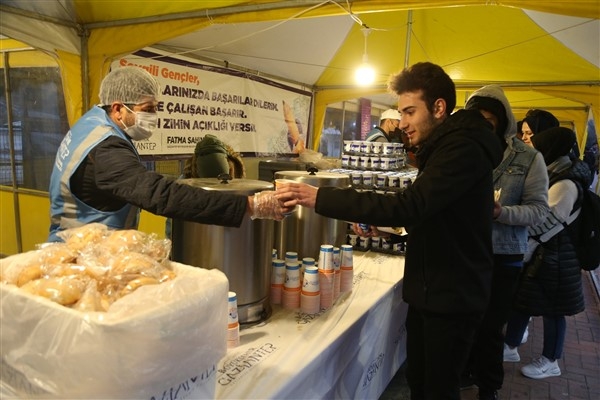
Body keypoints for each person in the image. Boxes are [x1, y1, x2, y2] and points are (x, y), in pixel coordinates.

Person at [276, 61, 504, 400]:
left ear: (439, 107)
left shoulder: (462, 149)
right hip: (432, 288)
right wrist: (391, 232)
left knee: (438, 390)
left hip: (453, 295)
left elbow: (411, 205)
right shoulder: (445, 146)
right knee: (420, 381)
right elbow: (438, 218)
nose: (403, 123)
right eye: (401, 112)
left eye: (410, 112)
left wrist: (320, 197)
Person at [48, 66, 289, 241]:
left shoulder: (92, 124)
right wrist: (249, 205)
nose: (153, 116)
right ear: (118, 108)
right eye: (147, 109)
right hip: (79, 254)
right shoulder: (105, 148)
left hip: (89, 244)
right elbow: (158, 195)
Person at [460, 85, 549, 400]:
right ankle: (464, 373)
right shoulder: (462, 150)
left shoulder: (528, 157)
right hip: (465, 251)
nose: (484, 125)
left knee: (491, 326)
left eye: (489, 119)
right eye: (477, 118)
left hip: (504, 254)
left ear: (503, 120)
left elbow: (540, 210)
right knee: (465, 319)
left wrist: (502, 212)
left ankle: (489, 386)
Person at [503, 127, 591, 379]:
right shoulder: (556, 172)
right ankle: (510, 345)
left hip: (558, 257)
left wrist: (516, 224)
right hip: (545, 255)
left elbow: (545, 222)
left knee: (554, 311)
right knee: (524, 301)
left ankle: (550, 360)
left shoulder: (565, 183)